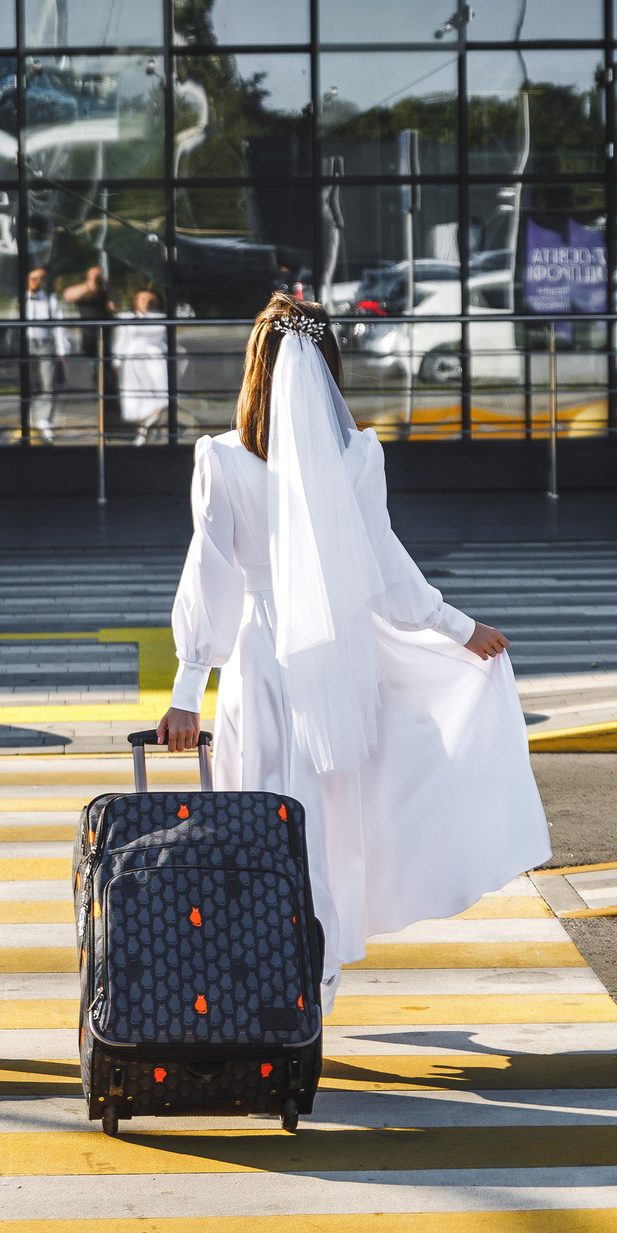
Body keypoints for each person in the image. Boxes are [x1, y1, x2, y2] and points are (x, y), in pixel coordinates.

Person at [154, 294, 549, 1010]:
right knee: (329, 819)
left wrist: (187, 688)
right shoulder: (360, 455)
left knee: (257, 808)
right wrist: (460, 628)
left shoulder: (219, 459)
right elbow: (387, 570)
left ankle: (263, 959)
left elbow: (208, 575)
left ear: (255, 367)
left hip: (261, 663)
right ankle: (319, 965)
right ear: (330, 370)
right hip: (340, 665)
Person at [112, 287, 171, 444]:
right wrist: (117, 361)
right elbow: (121, 340)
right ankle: (142, 432)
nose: (147, 303)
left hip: (156, 357)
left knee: (160, 391)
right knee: (138, 396)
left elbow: (165, 339)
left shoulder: (162, 317)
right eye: (143, 299)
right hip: (133, 358)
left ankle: (150, 422)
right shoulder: (127, 317)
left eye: (150, 299)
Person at [22, 267, 72, 444]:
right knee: (26, 381)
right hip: (26, 343)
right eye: (32, 278)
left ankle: (45, 419)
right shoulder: (22, 300)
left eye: (39, 279)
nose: (36, 282)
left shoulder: (50, 300)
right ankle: (26, 416)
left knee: (47, 382)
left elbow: (59, 325)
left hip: (44, 343)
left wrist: (62, 349)